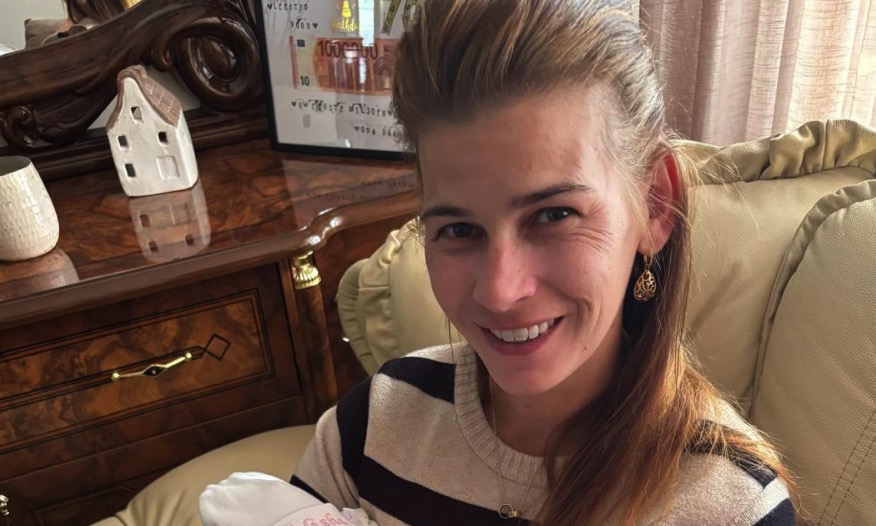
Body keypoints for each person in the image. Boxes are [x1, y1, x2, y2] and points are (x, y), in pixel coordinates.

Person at [289, 0, 798, 524]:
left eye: (554, 215)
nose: (499, 291)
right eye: (459, 229)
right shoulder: (368, 428)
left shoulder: (737, 509)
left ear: (654, 206)